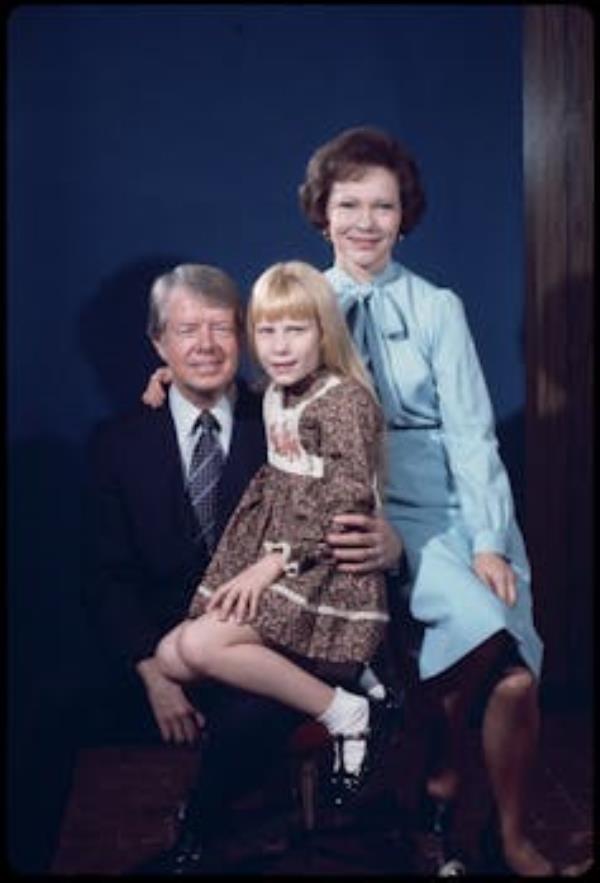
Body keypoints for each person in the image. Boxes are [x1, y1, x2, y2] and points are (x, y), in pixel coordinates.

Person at [86, 261, 403, 875]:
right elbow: (104, 576)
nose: (205, 346)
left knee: (255, 715)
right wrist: (151, 669)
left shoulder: (286, 409)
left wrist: (392, 543)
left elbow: (351, 487)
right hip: (178, 635)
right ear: (159, 344)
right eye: (186, 332)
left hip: (291, 630)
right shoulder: (118, 443)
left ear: (242, 335)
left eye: (221, 328)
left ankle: (199, 839)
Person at [297, 125, 553, 876]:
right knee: (489, 657)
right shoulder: (298, 298)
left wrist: (488, 541)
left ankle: (487, 824)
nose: (366, 223)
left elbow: (474, 434)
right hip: (353, 500)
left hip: (448, 501)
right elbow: (267, 401)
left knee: (511, 668)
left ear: (405, 216)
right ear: (323, 212)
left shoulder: (438, 306)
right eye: (351, 205)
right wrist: (174, 391)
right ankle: (440, 796)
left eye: (384, 206)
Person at [154, 260, 398, 808]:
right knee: (171, 654)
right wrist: (168, 374)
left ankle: (345, 710)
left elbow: (345, 494)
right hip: (281, 561)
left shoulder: (344, 401)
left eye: (296, 330)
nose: (280, 346)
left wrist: (271, 564)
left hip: (324, 573)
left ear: (324, 332)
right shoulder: (275, 394)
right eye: (267, 331)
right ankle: (349, 682)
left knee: (197, 643)